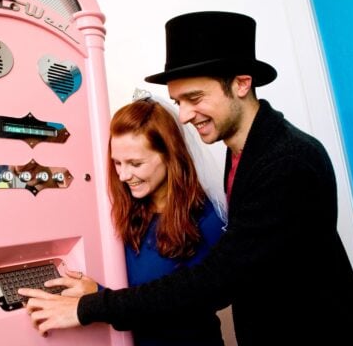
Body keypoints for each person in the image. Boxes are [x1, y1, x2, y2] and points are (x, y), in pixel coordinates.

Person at [19, 11, 353, 345]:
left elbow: (215, 281)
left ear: (241, 83)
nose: (186, 115)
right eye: (178, 101)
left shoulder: (288, 161)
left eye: (194, 98)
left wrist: (88, 308)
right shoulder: (243, 152)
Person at [46, 95, 228, 345]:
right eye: (117, 163)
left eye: (135, 163)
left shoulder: (208, 219)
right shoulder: (129, 211)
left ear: (169, 155)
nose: (123, 175)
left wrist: (95, 301)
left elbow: (188, 302)